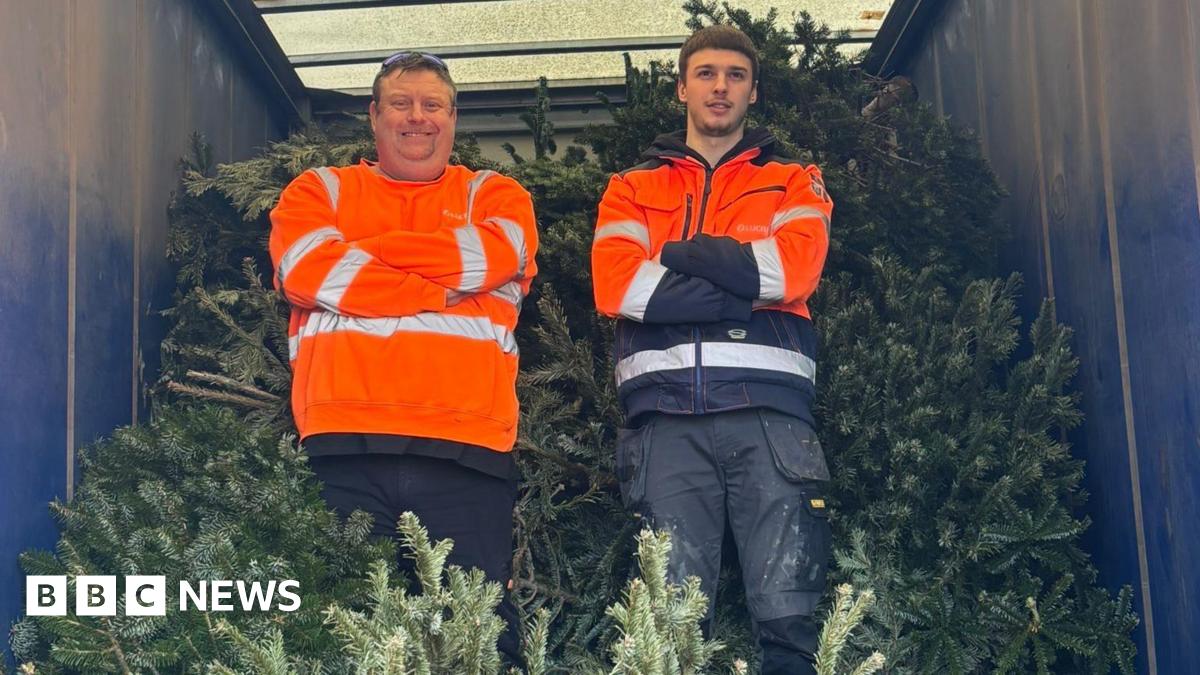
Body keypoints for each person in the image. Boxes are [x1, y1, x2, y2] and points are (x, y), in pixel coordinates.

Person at [268, 51, 537, 662]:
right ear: (373, 115)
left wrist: (370, 257)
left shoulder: (497, 196)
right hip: (343, 448)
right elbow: (308, 270)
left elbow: (497, 259)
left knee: (480, 650)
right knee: (338, 647)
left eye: (431, 105)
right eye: (400, 103)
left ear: (453, 117)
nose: (417, 118)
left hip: (467, 452)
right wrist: (444, 283)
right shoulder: (318, 191)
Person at [591, 25, 833, 674]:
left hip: (769, 413)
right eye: (705, 73)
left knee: (792, 622)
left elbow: (793, 272)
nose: (719, 86)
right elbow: (618, 285)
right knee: (669, 632)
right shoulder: (632, 188)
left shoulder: (794, 181)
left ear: (753, 90)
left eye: (733, 74)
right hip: (665, 419)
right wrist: (738, 291)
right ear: (682, 88)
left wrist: (674, 257)